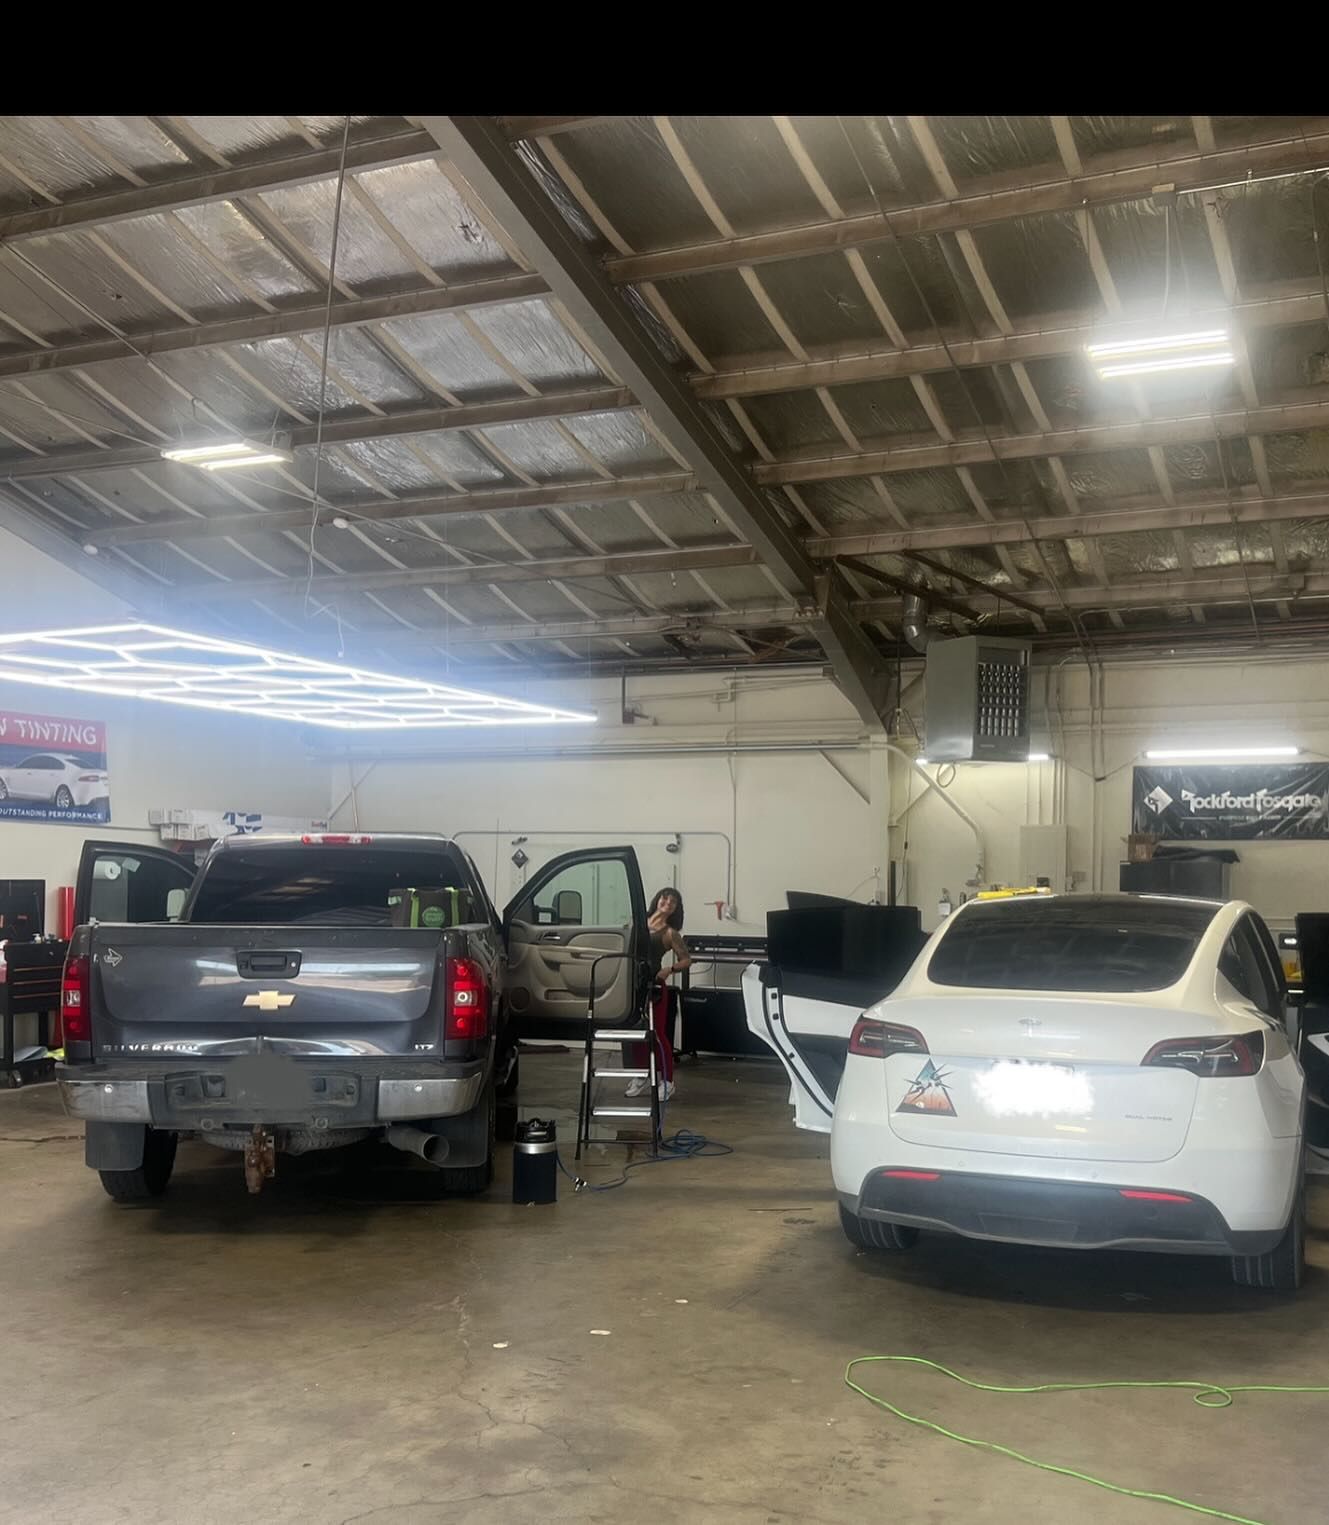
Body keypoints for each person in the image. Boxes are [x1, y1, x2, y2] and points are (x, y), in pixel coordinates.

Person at [626, 887, 691, 1102]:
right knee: (635, 1032)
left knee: (658, 1034)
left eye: (673, 902)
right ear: (658, 899)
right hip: (633, 985)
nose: (668, 902)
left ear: (675, 909)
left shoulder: (670, 933)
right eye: (665, 897)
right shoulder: (638, 921)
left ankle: (668, 1081)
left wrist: (669, 970)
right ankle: (640, 1075)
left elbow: (686, 959)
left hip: (654, 986)